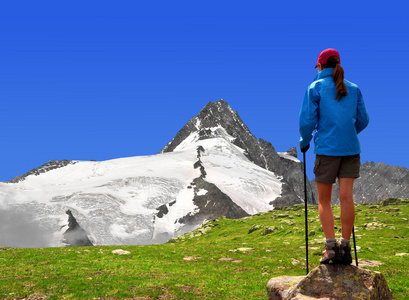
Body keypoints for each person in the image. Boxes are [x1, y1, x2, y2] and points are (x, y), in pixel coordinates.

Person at [299, 48, 369, 264]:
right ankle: (345, 248)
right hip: (350, 149)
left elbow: (307, 121)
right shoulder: (354, 89)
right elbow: (363, 120)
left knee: (324, 199)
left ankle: (330, 249)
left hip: (327, 151)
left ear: (320, 66)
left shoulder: (315, 88)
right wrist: (347, 133)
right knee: (347, 197)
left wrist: (305, 141)